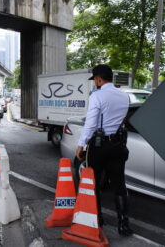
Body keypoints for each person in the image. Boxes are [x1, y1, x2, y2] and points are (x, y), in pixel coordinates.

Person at [75, 64, 133, 236]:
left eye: (94, 80)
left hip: (99, 146)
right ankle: (123, 224)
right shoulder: (124, 96)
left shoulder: (97, 96)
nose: (94, 83)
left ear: (99, 79)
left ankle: (97, 219)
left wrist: (81, 143)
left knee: (94, 182)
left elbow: (91, 123)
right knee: (119, 184)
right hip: (118, 145)